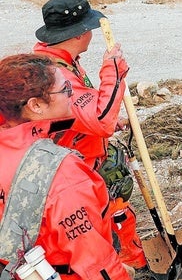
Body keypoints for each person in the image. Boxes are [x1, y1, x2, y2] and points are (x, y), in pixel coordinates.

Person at [32, 0, 147, 269]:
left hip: (82, 158)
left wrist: (93, 128)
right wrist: (114, 71)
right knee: (97, 241)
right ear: (80, 33)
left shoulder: (58, 60)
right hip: (76, 176)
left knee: (119, 215)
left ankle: (134, 264)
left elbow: (76, 116)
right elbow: (101, 119)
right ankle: (120, 268)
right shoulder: (56, 75)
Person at [0, 54, 133, 280]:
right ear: (36, 105)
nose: (72, 94)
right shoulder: (61, 173)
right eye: (65, 89)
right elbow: (94, 261)